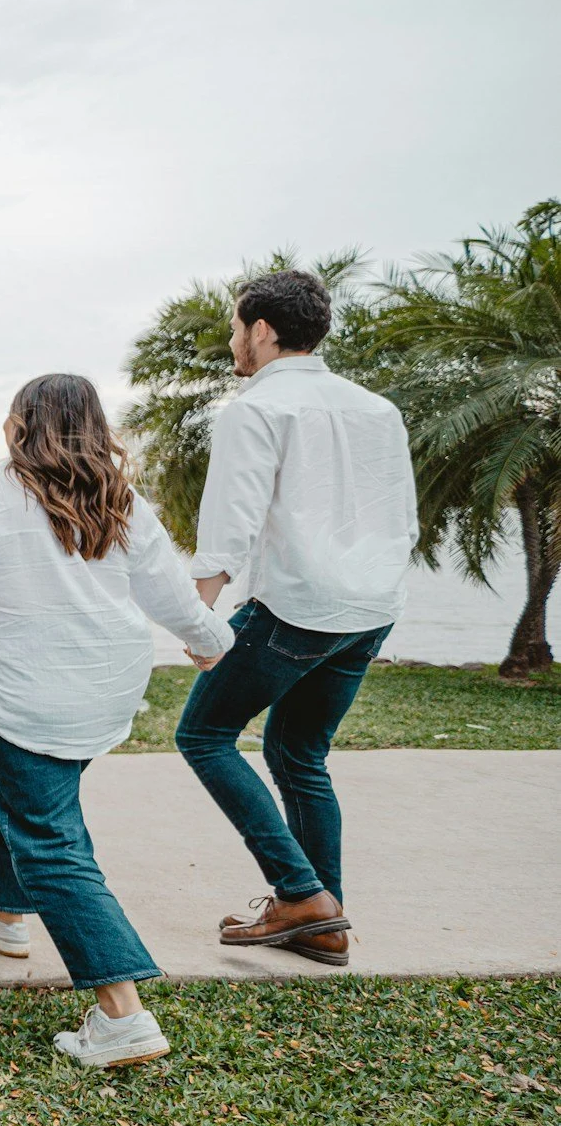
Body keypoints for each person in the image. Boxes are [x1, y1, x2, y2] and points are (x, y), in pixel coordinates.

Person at [0, 374, 232, 1069]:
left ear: (18, 426)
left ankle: (122, 1012)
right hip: (103, 690)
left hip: (25, 693)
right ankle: (4, 916)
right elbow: (169, 589)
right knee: (14, 786)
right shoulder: (120, 500)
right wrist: (210, 639)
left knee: (48, 836)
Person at [173, 269, 418, 967]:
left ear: (260, 329)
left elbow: (229, 524)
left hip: (298, 609)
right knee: (297, 752)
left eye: (233, 328)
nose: (231, 342)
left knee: (204, 734)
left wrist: (201, 618)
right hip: (371, 610)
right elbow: (404, 521)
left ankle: (300, 892)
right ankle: (323, 920)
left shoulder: (256, 409)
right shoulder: (378, 409)